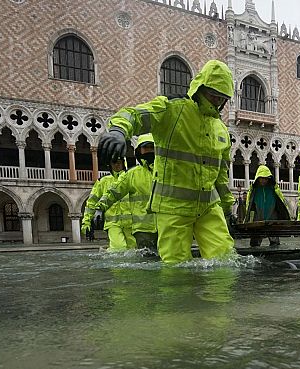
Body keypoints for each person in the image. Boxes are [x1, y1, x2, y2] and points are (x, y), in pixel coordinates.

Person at [98, 59, 235, 263]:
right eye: (213, 95)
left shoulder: (221, 129)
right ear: (200, 88)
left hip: (208, 207)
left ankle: (221, 296)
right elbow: (135, 115)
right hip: (173, 208)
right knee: (176, 267)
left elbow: (221, 175)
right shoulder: (172, 109)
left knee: (225, 260)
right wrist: (118, 131)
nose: (216, 101)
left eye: (221, 98)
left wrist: (227, 208)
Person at [93, 134, 158, 252]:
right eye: (145, 148)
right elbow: (113, 193)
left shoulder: (166, 172)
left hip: (166, 225)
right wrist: (100, 208)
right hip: (143, 229)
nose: (149, 151)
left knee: (170, 259)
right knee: (146, 261)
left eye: (151, 147)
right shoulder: (132, 174)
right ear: (139, 151)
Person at [81, 155, 135, 251]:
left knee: (134, 251)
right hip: (112, 223)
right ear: (110, 164)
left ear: (124, 163)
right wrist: (86, 223)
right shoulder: (103, 182)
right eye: (114, 162)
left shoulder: (131, 179)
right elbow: (91, 203)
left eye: (119, 162)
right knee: (118, 248)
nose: (117, 165)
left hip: (131, 224)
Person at [245, 164, 291, 247]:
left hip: (272, 218)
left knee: (275, 242)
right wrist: (249, 220)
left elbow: (281, 202)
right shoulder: (253, 190)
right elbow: (249, 205)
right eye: (261, 178)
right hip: (258, 219)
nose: (263, 181)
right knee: (255, 243)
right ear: (257, 178)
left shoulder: (273, 188)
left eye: (265, 179)